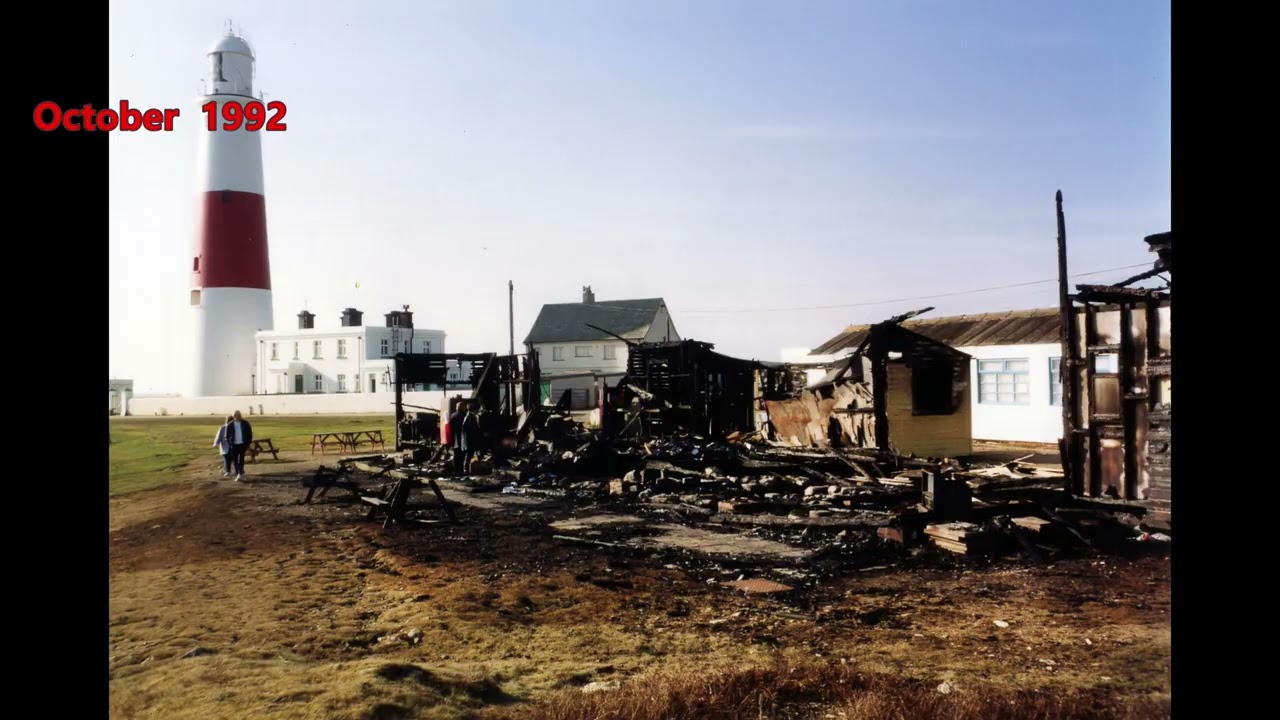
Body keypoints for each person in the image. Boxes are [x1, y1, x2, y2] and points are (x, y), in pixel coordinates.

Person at [227, 410, 254, 482]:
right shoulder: (230, 425)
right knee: (235, 460)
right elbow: (227, 436)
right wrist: (230, 443)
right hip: (234, 445)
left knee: (241, 459)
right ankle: (239, 473)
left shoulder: (245, 423)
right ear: (234, 416)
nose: (238, 416)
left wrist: (248, 442)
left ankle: (240, 473)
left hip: (243, 444)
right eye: (236, 415)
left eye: (239, 415)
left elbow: (250, 433)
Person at [448, 401, 468, 475]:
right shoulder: (463, 416)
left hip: (455, 438)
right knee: (462, 455)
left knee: (456, 455)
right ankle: (460, 470)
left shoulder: (453, 415)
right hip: (461, 438)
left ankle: (456, 470)